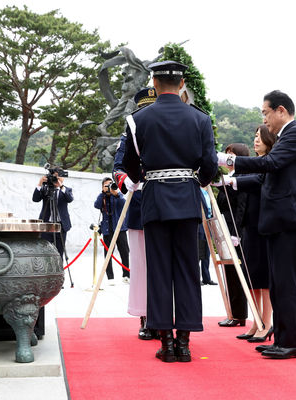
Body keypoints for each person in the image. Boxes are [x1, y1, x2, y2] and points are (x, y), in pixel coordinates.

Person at [122, 60, 218, 363]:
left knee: (160, 271)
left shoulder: (138, 119)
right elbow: (211, 165)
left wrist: (146, 179)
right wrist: (193, 181)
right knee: (188, 271)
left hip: (155, 200)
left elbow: (128, 164)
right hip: (188, 200)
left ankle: (165, 342)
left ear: (154, 81)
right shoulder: (200, 119)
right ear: (182, 83)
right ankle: (185, 343)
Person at [217, 91, 296, 360]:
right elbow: (262, 179)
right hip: (277, 219)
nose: (264, 120)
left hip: (287, 218)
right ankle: (283, 338)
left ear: (280, 110)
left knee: (284, 283)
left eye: (265, 113)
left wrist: (228, 161)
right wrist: (230, 181)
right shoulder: (285, 137)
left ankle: (292, 342)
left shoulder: (295, 133)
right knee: (278, 282)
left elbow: (270, 163)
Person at [113, 87, 158, 340]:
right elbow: (117, 167)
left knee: (165, 265)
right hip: (140, 205)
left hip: (166, 203)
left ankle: (165, 314)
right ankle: (146, 316)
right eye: (144, 109)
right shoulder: (128, 135)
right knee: (141, 265)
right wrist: (126, 181)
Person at [235, 127, 276, 343]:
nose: (256, 141)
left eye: (259, 137)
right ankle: (256, 320)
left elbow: (258, 182)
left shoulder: (270, 162)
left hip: (263, 224)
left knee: (263, 277)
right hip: (249, 226)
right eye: (254, 137)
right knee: (251, 277)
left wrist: (233, 181)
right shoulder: (254, 163)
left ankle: (267, 322)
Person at [214, 143, 251, 328]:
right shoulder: (228, 177)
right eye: (226, 154)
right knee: (228, 271)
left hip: (236, 230)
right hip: (225, 229)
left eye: (232, 154)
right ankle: (232, 312)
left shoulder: (242, 177)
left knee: (237, 273)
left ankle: (239, 314)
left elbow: (241, 207)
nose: (227, 158)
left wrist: (237, 233)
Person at [94, 177, 130, 284]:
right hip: (107, 230)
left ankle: (126, 275)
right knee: (108, 254)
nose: (109, 187)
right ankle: (110, 277)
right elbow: (96, 205)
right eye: (106, 185)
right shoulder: (102, 197)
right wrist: (103, 193)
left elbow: (124, 203)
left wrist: (116, 193)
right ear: (102, 187)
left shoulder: (117, 196)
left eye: (110, 184)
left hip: (120, 229)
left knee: (124, 252)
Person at [32, 170, 73, 259]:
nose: (56, 179)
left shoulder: (66, 189)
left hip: (61, 226)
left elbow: (69, 199)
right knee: (45, 252)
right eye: (54, 177)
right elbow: (35, 199)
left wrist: (60, 186)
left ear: (62, 178)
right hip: (47, 225)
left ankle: (59, 271)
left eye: (58, 177)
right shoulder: (45, 188)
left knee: (59, 253)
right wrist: (40, 183)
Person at [198, 187, 217, 286]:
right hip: (200, 225)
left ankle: (207, 278)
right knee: (199, 252)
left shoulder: (208, 192)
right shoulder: (197, 190)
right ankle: (197, 278)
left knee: (207, 252)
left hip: (209, 224)